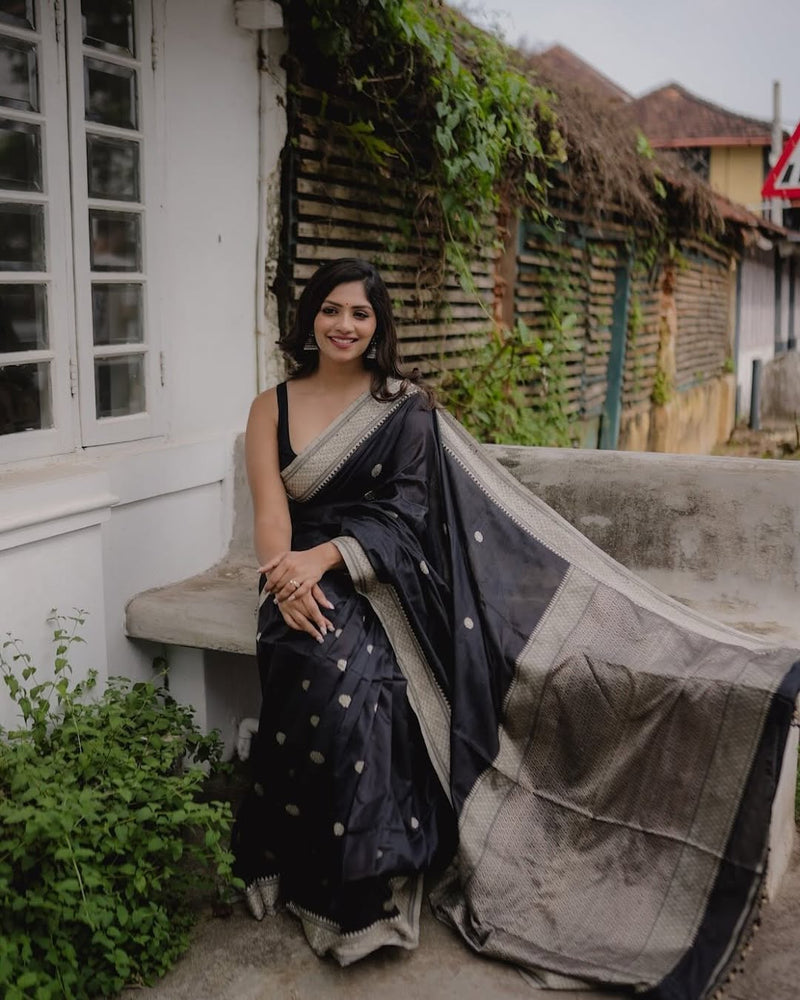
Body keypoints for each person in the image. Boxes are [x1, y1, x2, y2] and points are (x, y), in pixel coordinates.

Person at [233, 257, 800, 997]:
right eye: (332, 309)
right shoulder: (270, 407)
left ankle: (370, 881)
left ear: (379, 326)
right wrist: (287, 576)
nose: (345, 325)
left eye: (361, 313)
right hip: (297, 580)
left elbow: (406, 521)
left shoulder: (401, 407)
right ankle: (319, 869)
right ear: (310, 316)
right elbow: (272, 526)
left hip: (384, 578)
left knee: (362, 678)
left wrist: (331, 557)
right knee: (307, 653)